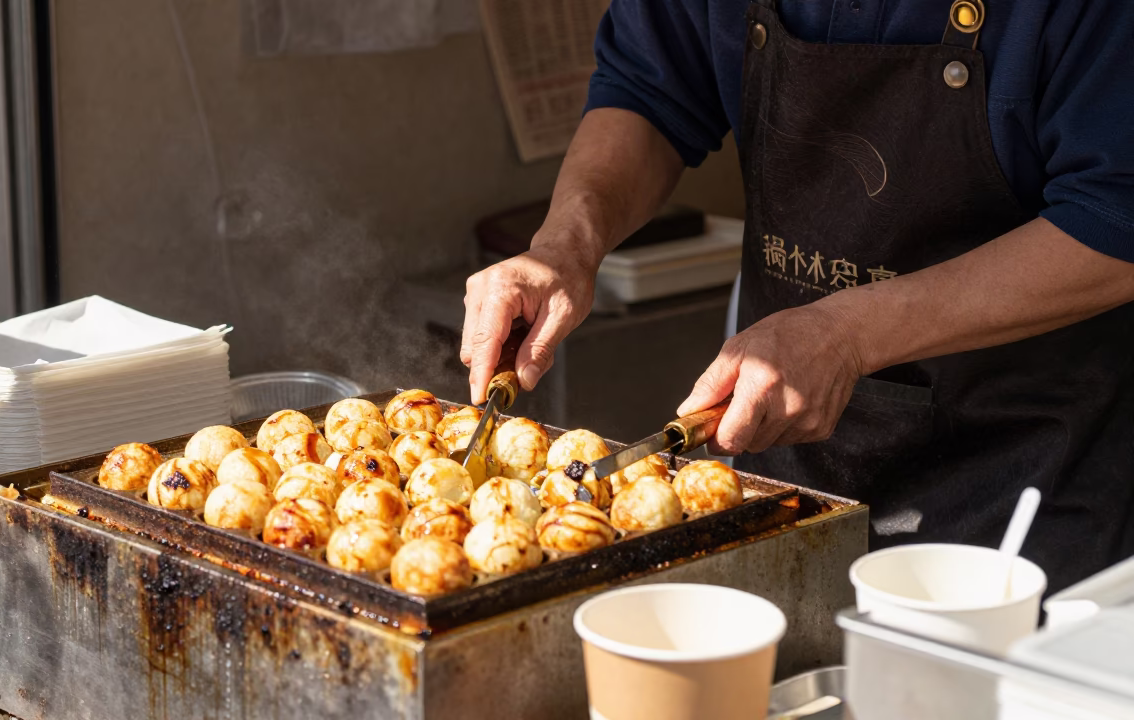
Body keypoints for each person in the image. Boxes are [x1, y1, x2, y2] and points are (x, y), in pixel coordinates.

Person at [461, 0, 1134, 591]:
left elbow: (1115, 214)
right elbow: (648, 90)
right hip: (792, 479)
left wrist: (847, 334)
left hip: (1024, 477)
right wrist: (564, 247)